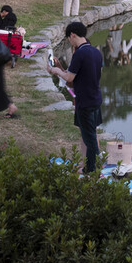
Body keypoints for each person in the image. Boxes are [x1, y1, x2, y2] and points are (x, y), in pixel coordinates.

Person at [46, 21, 103, 173]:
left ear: (72, 35)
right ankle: (87, 165)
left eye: (69, 38)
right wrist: (60, 69)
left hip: (85, 101)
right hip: (95, 98)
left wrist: (55, 71)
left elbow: (69, 78)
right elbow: (78, 79)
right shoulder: (96, 52)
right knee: (88, 134)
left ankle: (92, 170)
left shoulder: (80, 53)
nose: (70, 41)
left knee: (90, 138)